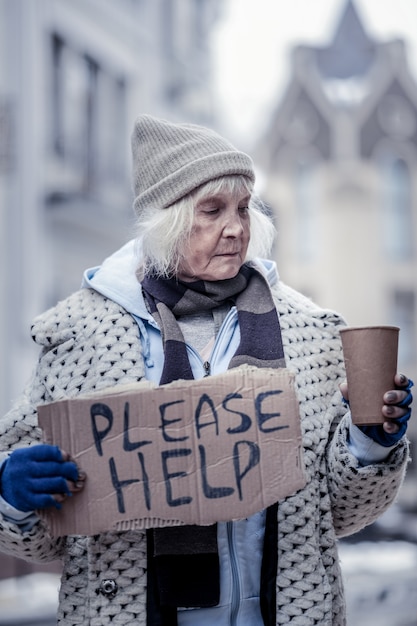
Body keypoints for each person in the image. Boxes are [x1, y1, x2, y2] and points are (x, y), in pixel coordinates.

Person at [0, 114, 413, 626]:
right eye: (213, 210)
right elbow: (45, 541)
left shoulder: (310, 333)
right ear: (167, 219)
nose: (237, 228)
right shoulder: (80, 338)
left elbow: (344, 513)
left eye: (243, 208)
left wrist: (369, 443)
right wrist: (11, 494)